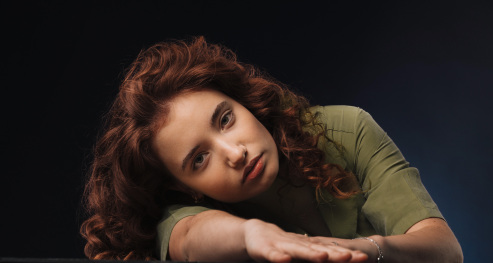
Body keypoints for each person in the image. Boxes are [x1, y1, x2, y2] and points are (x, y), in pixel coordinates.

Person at [80, 36, 463, 262]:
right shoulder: (184, 212)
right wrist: (251, 235)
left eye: (225, 119)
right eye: (199, 159)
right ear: (184, 187)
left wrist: (363, 251)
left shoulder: (348, 129)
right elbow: (190, 235)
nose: (234, 154)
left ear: (243, 101)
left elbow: (444, 249)